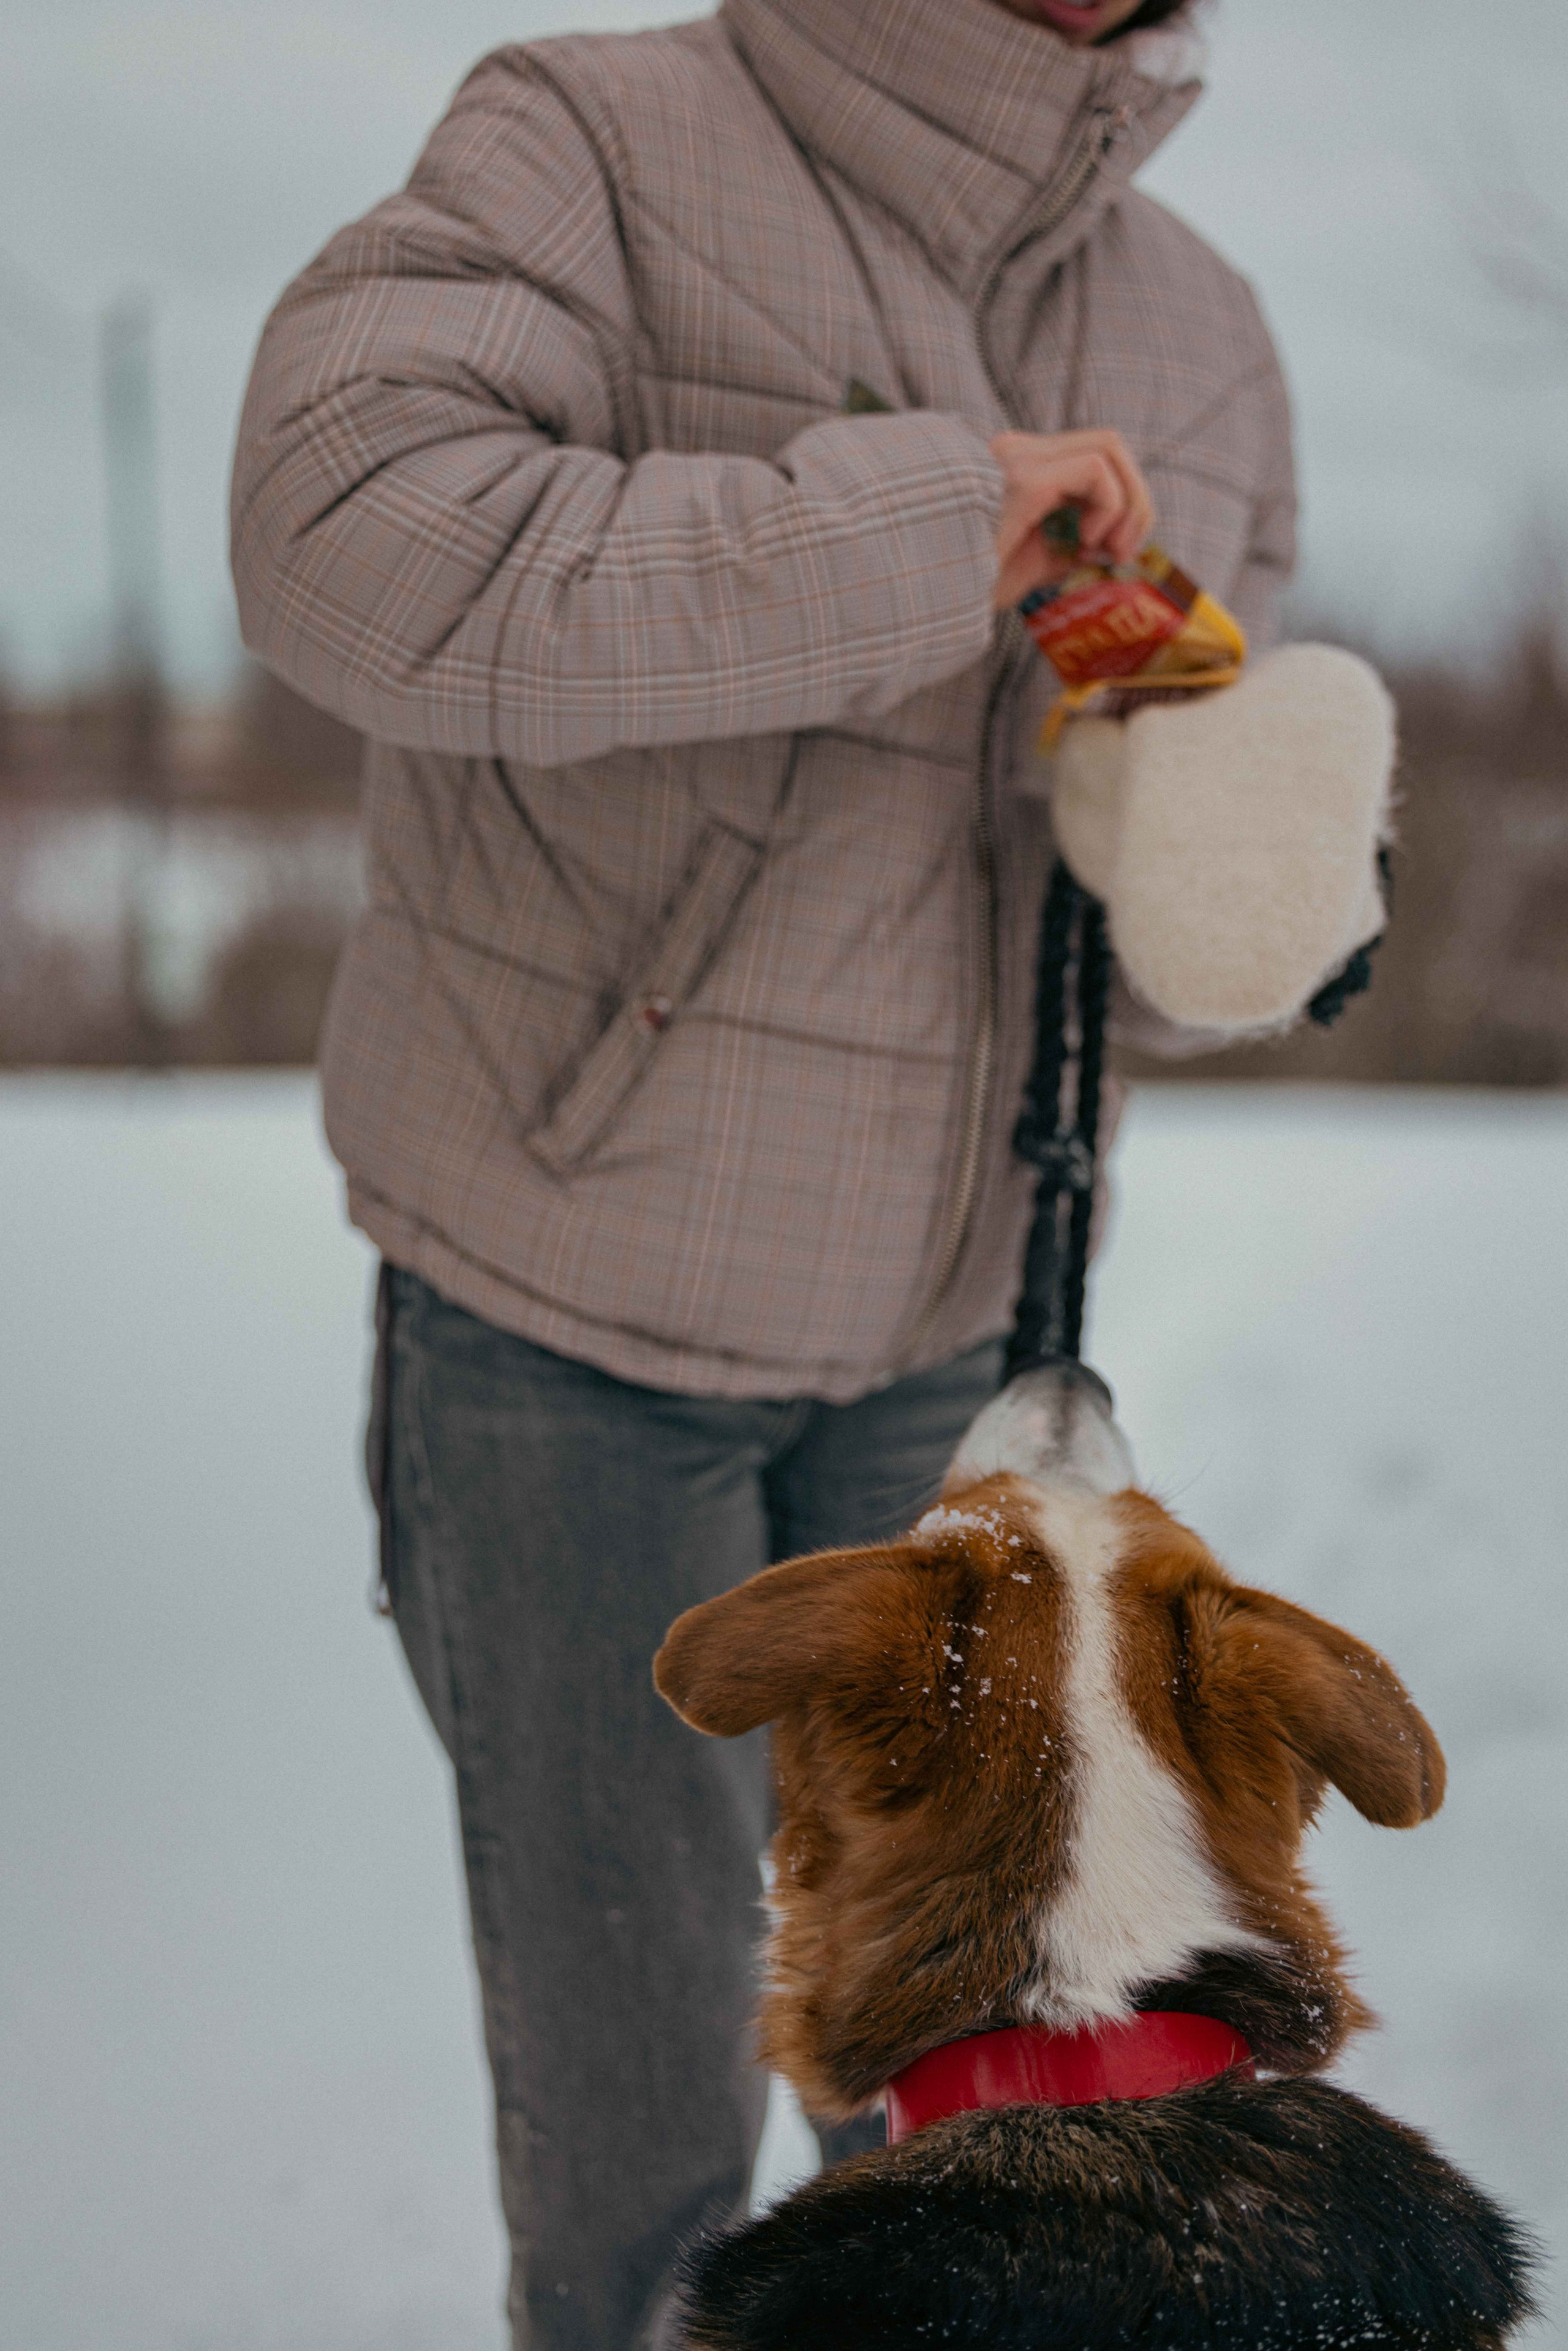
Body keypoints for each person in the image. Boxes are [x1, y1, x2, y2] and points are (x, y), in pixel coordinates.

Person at [230, 0, 1293, 2339]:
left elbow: (1198, 944)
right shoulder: (595, 139)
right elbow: (339, 549)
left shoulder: (1202, 324)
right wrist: (923, 523)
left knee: (983, 2104)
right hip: (563, 1327)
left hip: (958, 1356)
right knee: (646, 2131)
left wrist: (1235, 809)